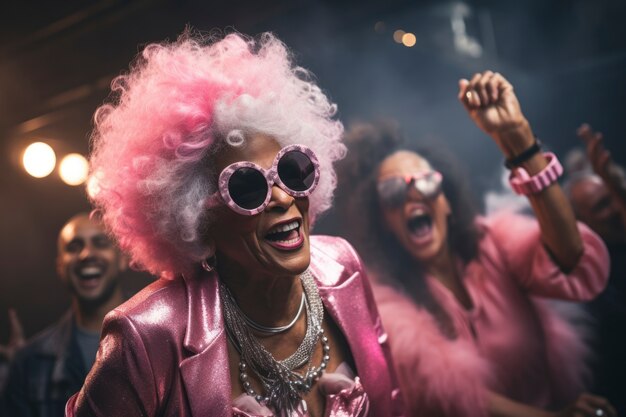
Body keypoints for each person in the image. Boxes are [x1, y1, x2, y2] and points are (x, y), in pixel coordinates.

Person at [65, 32, 404, 417]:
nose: (280, 197)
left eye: (292, 170)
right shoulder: (146, 336)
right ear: (196, 220)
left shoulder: (343, 266)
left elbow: (394, 405)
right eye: (245, 187)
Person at [335, 72, 614, 417]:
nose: (411, 196)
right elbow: (460, 402)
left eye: (424, 183)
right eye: (393, 192)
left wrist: (519, 143)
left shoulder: (495, 241)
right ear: (384, 222)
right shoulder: (387, 306)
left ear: (447, 201)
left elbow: (571, 258)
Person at [3, 213, 127, 417]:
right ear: (60, 267)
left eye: (100, 243)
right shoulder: (29, 364)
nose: (87, 254)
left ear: (123, 259)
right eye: (74, 247)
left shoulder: (159, 344)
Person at [566, 123, 626, 415]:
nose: (615, 208)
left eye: (615, 197)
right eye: (602, 205)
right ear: (583, 225)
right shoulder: (592, 288)